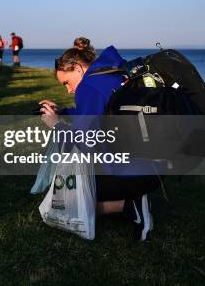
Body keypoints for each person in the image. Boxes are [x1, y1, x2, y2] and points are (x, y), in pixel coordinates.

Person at [38, 37, 160, 241]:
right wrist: (65, 111)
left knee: (66, 199)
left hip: (132, 173)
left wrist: (56, 124)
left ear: (77, 68)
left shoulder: (89, 86)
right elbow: (100, 113)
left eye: (66, 83)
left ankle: (130, 204)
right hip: (154, 166)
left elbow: (82, 143)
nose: (68, 90)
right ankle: (133, 197)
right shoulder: (110, 72)